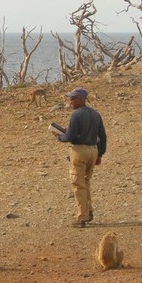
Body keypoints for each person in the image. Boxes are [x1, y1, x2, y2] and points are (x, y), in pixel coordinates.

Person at [51, 87, 107, 227]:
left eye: (73, 99)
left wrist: (59, 136)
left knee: (78, 184)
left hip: (80, 151)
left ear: (82, 99)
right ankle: (89, 211)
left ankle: (81, 217)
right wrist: (100, 154)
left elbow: (69, 136)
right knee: (86, 181)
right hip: (93, 150)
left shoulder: (76, 115)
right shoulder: (95, 114)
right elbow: (102, 135)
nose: (70, 102)